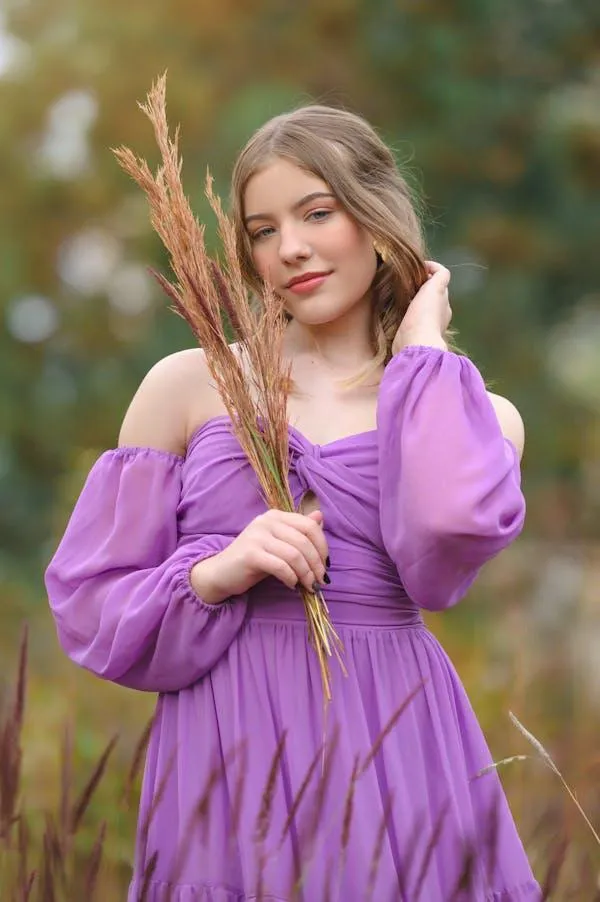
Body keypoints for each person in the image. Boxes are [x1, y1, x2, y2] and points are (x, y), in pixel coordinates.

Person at [45, 105, 541, 901]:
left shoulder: (483, 417)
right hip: (224, 751)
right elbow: (90, 603)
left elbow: (442, 550)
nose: (291, 249)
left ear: (377, 217)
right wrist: (216, 571)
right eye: (263, 231)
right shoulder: (189, 384)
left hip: (394, 744)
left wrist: (420, 353)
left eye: (317, 213)